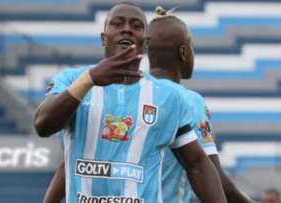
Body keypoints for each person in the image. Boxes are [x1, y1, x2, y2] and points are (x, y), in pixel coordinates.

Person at [35, 2, 227, 203]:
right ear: (103, 38)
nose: (126, 29)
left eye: (136, 26)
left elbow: (197, 163)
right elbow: (43, 125)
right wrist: (89, 79)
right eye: (117, 24)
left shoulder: (167, 97)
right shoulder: (71, 79)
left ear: (146, 42)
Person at [147, 7, 254, 203]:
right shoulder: (187, 100)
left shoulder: (132, 91)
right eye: (192, 46)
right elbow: (213, 176)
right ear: (183, 52)